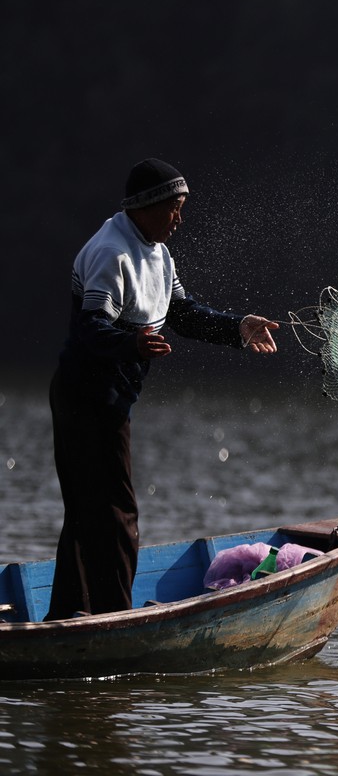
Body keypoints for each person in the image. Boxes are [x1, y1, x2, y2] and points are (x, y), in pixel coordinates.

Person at [45, 158, 280, 621]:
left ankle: (67, 617)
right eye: (173, 208)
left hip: (111, 399)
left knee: (88, 515)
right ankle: (114, 621)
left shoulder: (159, 253)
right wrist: (131, 342)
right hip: (86, 398)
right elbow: (91, 329)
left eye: (182, 207)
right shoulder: (111, 253)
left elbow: (184, 314)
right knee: (116, 517)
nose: (179, 218)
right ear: (146, 208)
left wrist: (239, 328)